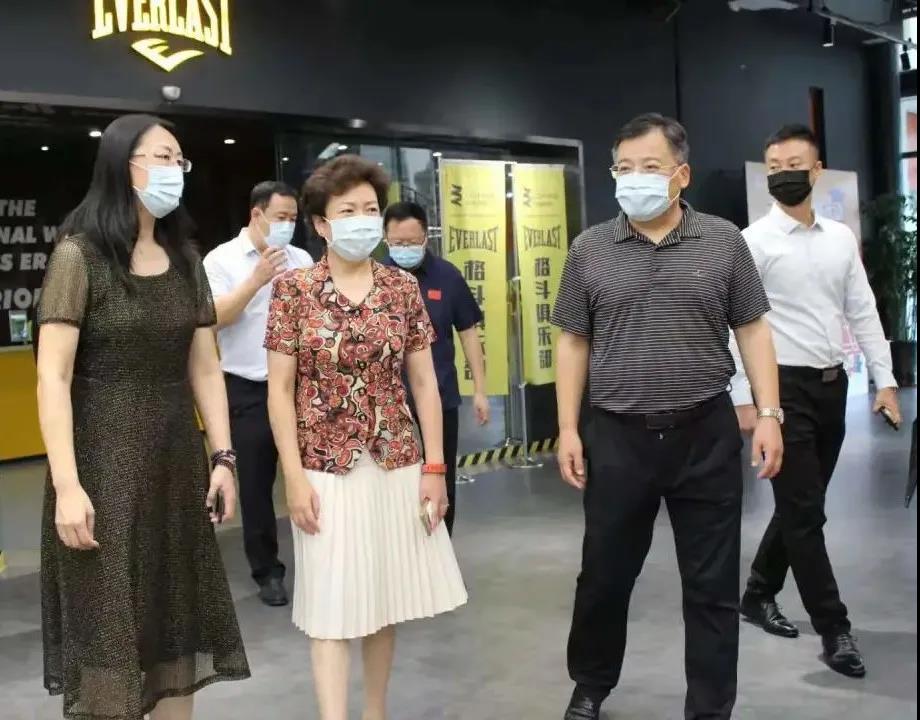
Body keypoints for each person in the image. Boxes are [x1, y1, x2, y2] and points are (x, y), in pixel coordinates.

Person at [552, 113, 784, 720]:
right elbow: (572, 340)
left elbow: (753, 328)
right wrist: (569, 428)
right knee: (604, 576)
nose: (634, 179)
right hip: (617, 436)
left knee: (711, 586)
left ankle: (709, 709)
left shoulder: (724, 242)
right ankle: (591, 684)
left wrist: (768, 412)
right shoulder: (590, 249)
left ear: (681, 174)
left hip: (704, 433)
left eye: (649, 167)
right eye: (623, 168)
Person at [35, 114, 249, 720]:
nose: (174, 170)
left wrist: (223, 457)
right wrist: (68, 486)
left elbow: (205, 368)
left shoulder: (185, 261)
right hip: (101, 470)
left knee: (175, 628)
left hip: (174, 465)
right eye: (161, 157)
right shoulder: (80, 257)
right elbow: (52, 378)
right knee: (109, 634)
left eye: (179, 159)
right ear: (121, 165)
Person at [265, 155, 467, 720]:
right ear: (321, 224)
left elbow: (424, 382)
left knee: (383, 599)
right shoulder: (293, 291)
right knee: (330, 606)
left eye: (370, 209)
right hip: (323, 467)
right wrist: (293, 477)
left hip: (395, 460)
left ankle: (375, 712)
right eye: (348, 210)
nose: (362, 220)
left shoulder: (401, 288)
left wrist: (434, 469)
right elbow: (279, 391)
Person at [730, 124, 902, 679]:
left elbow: (863, 309)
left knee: (802, 505)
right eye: (774, 166)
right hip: (780, 390)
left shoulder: (839, 238)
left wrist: (885, 381)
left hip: (832, 388)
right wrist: (745, 398)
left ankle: (757, 593)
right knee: (805, 514)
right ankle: (834, 628)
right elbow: (735, 327)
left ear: (816, 171)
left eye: (794, 165)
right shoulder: (752, 242)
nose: (784, 174)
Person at [203, 181, 314, 606]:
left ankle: (321, 561)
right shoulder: (221, 260)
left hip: (301, 386)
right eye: (280, 217)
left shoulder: (302, 260)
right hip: (247, 387)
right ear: (256, 214)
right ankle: (267, 571)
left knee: (313, 475)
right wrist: (256, 281)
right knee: (255, 484)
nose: (287, 225)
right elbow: (212, 319)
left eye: (293, 219)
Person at [383, 201, 489, 535]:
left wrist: (481, 390)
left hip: (439, 397)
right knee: (393, 485)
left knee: (440, 477)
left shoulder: (447, 276)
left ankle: (441, 547)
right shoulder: (375, 278)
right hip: (388, 404)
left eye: (412, 242)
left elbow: (469, 334)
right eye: (397, 243)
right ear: (385, 239)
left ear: (426, 237)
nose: (405, 249)